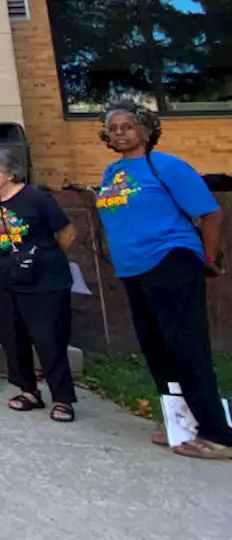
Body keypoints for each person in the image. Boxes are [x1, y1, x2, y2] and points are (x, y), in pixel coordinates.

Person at [95, 100, 231, 459]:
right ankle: (182, 424)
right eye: (113, 128)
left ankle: (218, 433)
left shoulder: (166, 166)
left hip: (170, 260)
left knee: (186, 345)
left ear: (144, 130)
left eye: (127, 126)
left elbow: (211, 215)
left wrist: (208, 259)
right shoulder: (112, 174)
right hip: (133, 268)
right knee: (157, 348)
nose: (120, 132)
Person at [0, 146, 78, 423]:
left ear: (10, 173)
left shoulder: (36, 198)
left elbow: (66, 232)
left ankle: (63, 398)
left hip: (42, 281)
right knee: (12, 336)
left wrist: (45, 257)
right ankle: (28, 390)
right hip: (5, 280)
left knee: (48, 338)